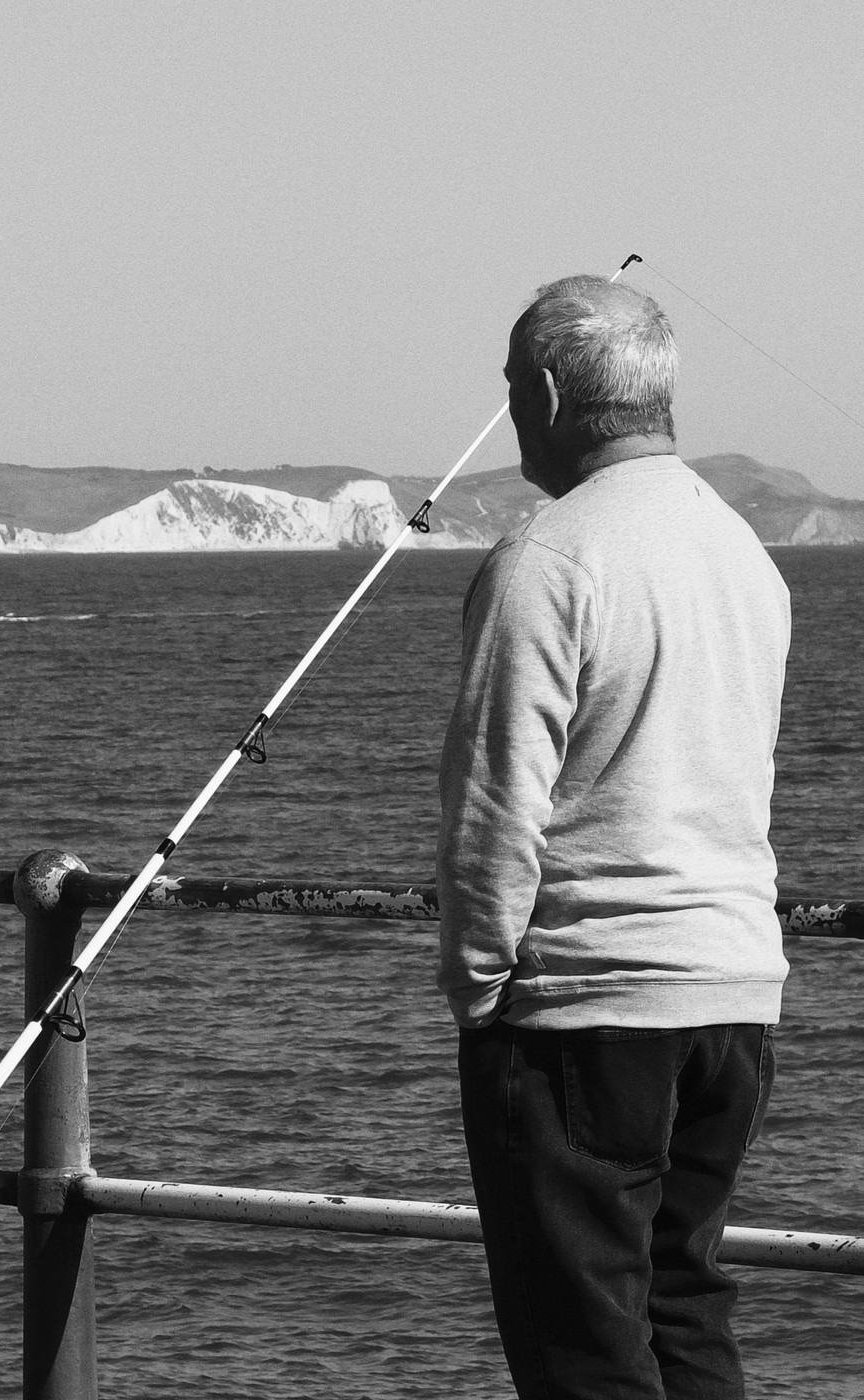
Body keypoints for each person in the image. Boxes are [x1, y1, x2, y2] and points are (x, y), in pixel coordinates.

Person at [436, 274, 791, 1400]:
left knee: (583, 1347)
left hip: (588, 1011)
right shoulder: (746, 556)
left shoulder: (546, 560)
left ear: (545, 389)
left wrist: (479, 989)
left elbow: (497, 809)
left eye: (511, 388)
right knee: (684, 1308)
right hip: (732, 998)